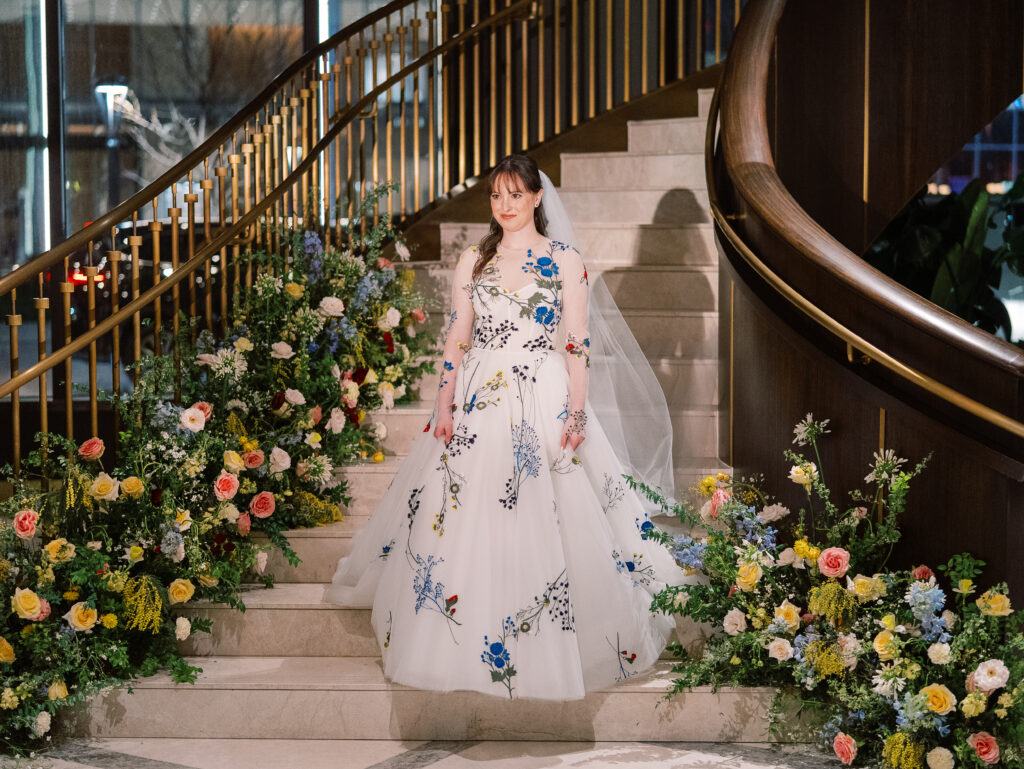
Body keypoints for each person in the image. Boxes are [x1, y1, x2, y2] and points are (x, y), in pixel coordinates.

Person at [324, 153, 690, 700]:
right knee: (458, 517)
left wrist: (575, 410)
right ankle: (453, 635)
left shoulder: (565, 260)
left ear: (538, 198)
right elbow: (456, 339)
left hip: (544, 393)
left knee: (554, 512)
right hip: (479, 398)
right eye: (497, 195)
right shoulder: (474, 260)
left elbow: (576, 343)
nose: (505, 205)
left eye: (516, 195)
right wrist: (443, 405)